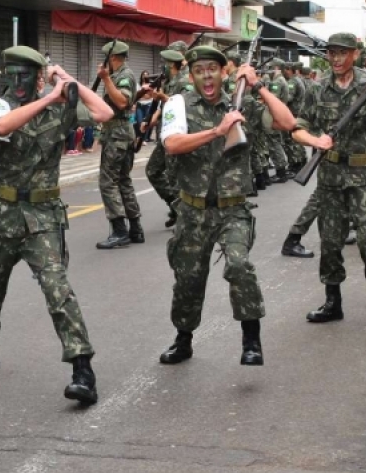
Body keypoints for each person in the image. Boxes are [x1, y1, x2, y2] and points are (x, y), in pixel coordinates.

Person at [0, 45, 114, 406]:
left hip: (42, 217)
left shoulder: (61, 108)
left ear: (40, 77)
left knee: (58, 290)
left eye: (26, 75)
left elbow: (104, 112)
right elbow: (1, 126)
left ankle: (82, 369)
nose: (17, 82)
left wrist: (71, 84)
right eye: (12, 75)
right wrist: (50, 98)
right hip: (0, 213)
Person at [157, 46, 295, 367]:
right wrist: (217, 131)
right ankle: (183, 338)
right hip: (193, 209)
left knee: (239, 265)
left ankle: (251, 339)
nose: (207, 75)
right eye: (200, 70)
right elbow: (173, 144)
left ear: (224, 72)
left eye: (213, 69)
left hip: (233, 208)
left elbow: (286, 123)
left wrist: (258, 85)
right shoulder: (179, 104)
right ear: (191, 76)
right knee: (189, 278)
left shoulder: (242, 102)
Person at [291, 32, 366, 324]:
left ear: (355, 54)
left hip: (363, 177)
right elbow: (297, 128)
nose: (337, 58)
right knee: (329, 242)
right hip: (330, 176)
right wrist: (315, 142)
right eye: (332, 53)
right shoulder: (318, 89)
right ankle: (332, 302)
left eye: (343, 53)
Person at [95, 41, 143, 249]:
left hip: (118, 134)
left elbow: (122, 102)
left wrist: (105, 79)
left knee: (108, 181)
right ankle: (135, 228)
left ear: (113, 58)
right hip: (117, 133)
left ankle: (119, 230)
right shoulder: (120, 75)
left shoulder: (124, 76)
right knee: (123, 180)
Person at [143, 49, 185, 228]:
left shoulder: (183, 83)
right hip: (163, 135)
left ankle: (184, 216)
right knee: (152, 170)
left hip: (176, 135)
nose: (163, 67)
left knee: (175, 178)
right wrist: (150, 121)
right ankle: (174, 205)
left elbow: (183, 105)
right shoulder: (167, 82)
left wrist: (163, 97)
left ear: (172, 64)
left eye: (166, 64)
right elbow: (162, 107)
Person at [135, 70, 153, 143]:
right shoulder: (138, 85)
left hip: (148, 105)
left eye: (146, 75)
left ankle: (144, 139)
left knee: (146, 122)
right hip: (140, 105)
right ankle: (140, 137)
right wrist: (144, 95)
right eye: (143, 75)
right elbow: (137, 95)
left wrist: (142, 95)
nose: (145, 76)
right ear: (141, 76)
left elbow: (150, 96)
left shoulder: (151, 84)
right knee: (139, 122)